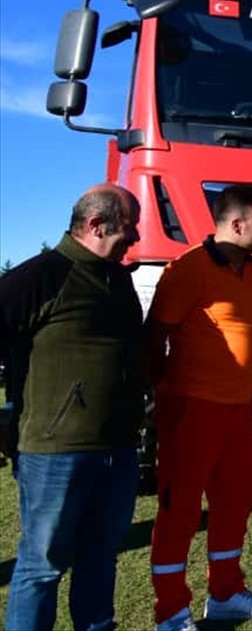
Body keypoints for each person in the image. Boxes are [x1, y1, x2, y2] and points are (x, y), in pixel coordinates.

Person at [1, 185, 144, 631]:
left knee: (101, 556)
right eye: (129, 227)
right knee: (42, 565)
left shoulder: (119, 278)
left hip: (119, 449)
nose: (135, 237)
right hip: (54, 453)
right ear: (96, 225)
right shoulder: (40, 276)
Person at [145, 186, 252, 630]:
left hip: (238, 410)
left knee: (234, 503)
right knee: (180, 511)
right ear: (236, 225)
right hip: (191, 409)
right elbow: (154, 335)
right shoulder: (188, 268)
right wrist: (160, 395)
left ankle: (224, 593)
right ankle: (171, 612)